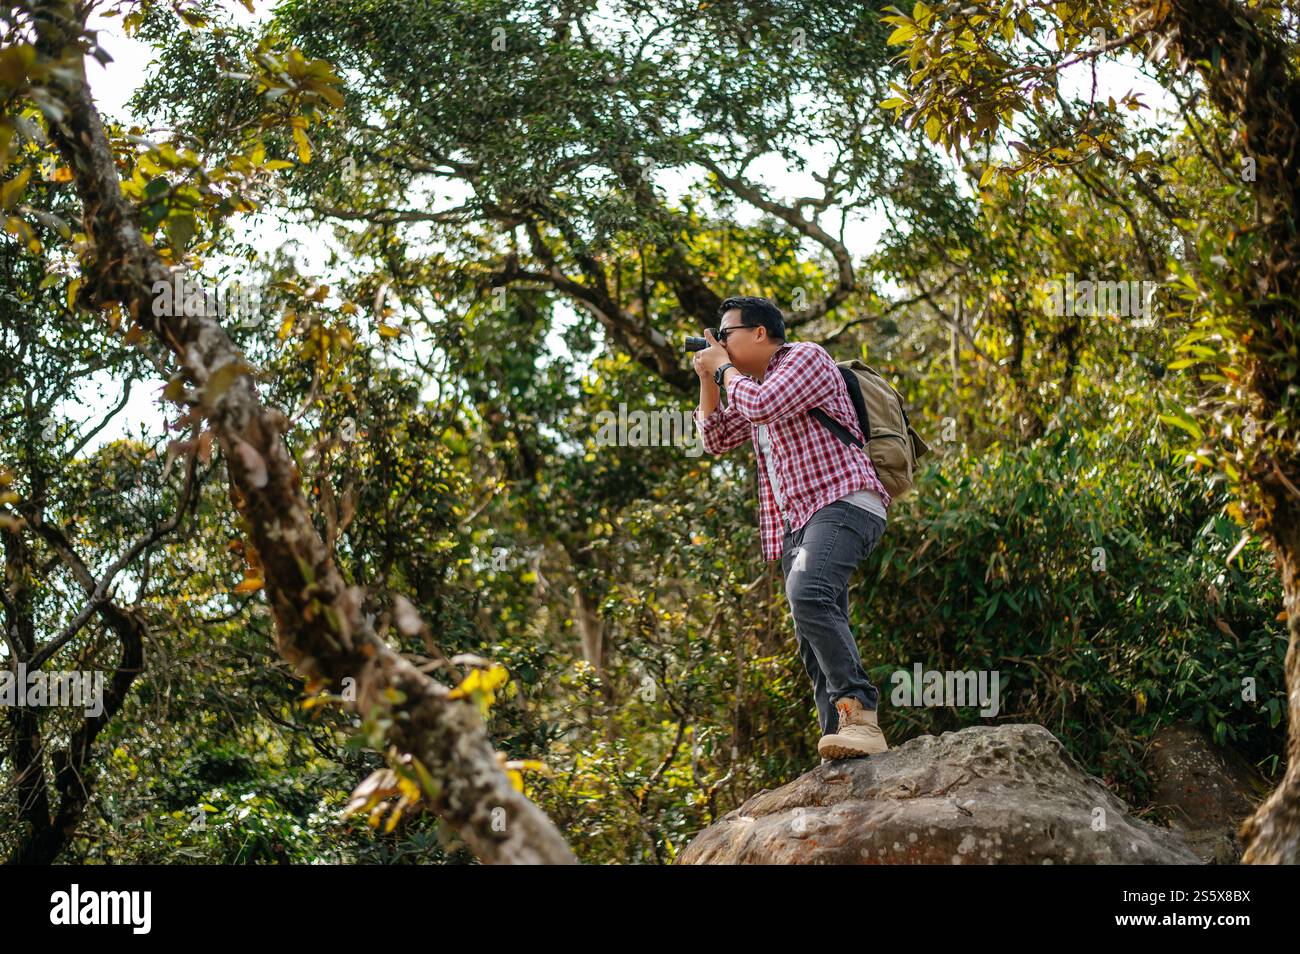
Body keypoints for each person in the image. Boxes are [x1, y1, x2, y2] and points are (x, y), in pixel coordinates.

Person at [691, 295, 892, 761]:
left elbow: (763, 406)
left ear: (760, 333)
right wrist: (710, 379)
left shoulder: (803, 358)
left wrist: (723, 370)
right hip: (798, 523)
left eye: (727, 335)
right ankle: (840, 742)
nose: (720, 343)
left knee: (808, 593)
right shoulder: (751, 382)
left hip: (843, 501)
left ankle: (861, 715)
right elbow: (715, 438)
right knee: (809, 636)